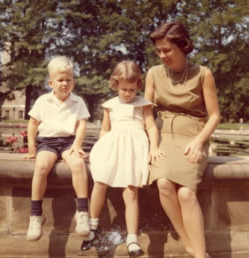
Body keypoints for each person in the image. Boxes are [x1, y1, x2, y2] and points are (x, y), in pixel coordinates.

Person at [144, 21, 220, 258]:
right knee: (164, 183)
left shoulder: (203, 74)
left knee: (186, 193)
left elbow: (215, 116)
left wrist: (199, 141)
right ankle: (190, 244)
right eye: (158, 51)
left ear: (183, 46)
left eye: (166, 50)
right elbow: (146, 112)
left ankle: (199, 254)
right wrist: (153, 144)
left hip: (193, 135)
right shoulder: (154, 74)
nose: (162, 55)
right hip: (164, 133)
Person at [80, 60, 164, 257]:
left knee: (131, 191)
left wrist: (154, 148)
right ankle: (92, 229)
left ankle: (132, 238)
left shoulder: (143, 104)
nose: (127, 93)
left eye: (132, 89)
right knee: (100, 183)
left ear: (138, 86)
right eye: (124, 89)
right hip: (113, 146)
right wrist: (99, 149)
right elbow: (105, 129)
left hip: (134, 149)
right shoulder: (110, 105)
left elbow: (151, 127)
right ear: (115, 84)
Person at [25, 56, 90, 241]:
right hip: (48, 141)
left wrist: (77, 144)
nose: (64, 84)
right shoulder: (43, 101)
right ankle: (36, 215)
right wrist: (32, 146)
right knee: (41, 167)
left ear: (73, 82)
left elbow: (82, 124)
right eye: (60, 80)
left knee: (78, 165)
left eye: (68, 80)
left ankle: (82, 213)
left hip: (69, 141)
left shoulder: (78, 102)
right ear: (51, 82)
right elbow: (33, 123)